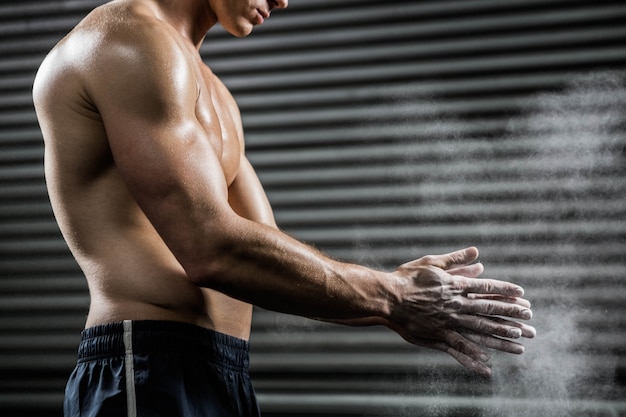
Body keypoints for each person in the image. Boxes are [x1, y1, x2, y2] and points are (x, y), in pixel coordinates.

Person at [32, 0, 536, 416]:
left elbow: (268, 257)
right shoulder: (124, 40)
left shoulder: (212, 93)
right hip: (146, 364)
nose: (284, 1)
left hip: (222, 373)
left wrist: (403, 301)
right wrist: (391, 296)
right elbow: (212, 248)